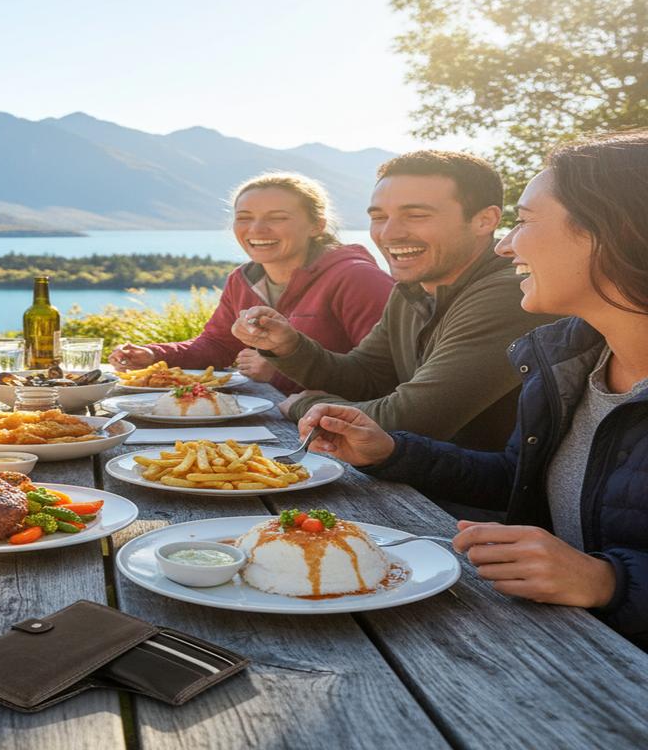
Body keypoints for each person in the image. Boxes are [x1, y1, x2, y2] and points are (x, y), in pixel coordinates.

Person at [297, 132, 648, 648]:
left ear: (612, 230)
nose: (506, 245)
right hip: (550, 636)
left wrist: (609, 581)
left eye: (524, 221)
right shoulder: (569, 359)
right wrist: (392, 451)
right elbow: (519, 479)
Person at [234, 151, 553, 452]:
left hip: (472, 503)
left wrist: (304, 405)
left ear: (485, 220)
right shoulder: (412, 288)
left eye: (415, 215)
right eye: (379, 217)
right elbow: (365, 376)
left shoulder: (511, 293)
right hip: (418, 484)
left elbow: (412, 419)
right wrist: (289, 347)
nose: (389, 233)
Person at [110, 173, 392, 393]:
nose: (256, 229)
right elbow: (217, 345)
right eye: (244, 218)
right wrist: (153, 355)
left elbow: (385, 376)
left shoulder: (358, 279)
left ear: (316, 225)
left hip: (338, 439)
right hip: (271, 422)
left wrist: (280, 372)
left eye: (277, 218)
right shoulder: (243, 279)